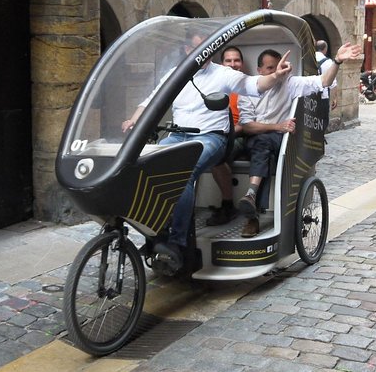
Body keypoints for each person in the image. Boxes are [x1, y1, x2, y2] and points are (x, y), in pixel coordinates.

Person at [122, 31, 293, 275]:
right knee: (144, 166)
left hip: (211, 137)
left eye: (208, 48)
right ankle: (155, 232)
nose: (204, 53)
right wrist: (133, 120)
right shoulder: (176, 75)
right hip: (178, 135)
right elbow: (150, 101)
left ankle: (177, 244)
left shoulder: (223, 74)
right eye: (198, 47)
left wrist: (275, 76)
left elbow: (253, 84)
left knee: (183, 172)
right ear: (186, 51)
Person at [237, 42, 361, 237]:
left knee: (265, 143)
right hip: (258, 138)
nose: (278, 71)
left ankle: (251, 199)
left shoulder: (291, 83)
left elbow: (324, 81)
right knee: (260, 144)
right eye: (271, 68)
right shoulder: (249, 88)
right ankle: (249, 203)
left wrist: (336, 61)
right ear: (260, 70)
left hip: (280, 140)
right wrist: (277, 126)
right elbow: (247, 126)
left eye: (281, 66)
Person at [206, 46, 252, 226]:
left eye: (236, 60)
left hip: (238, 134)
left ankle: (227, 205)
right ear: (221, 63)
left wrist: (227, 132)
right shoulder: (215, 84)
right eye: (228, 61)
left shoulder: (247, 85)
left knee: (217, 155)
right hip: (213, 131)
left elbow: (247, 122)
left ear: (242, 63)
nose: (233, 64)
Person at [315, 40, 338, 110]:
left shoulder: (309, 58)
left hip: (308, 96)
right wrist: (335, 98)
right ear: (325, 49)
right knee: (322, 119)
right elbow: (333, 83)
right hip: (322, 96)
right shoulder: (328, 62)